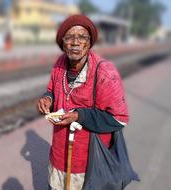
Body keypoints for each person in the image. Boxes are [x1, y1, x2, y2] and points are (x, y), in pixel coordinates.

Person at [37, 15, 129, 190]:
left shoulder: (105, 72)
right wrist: (48, 98)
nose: (75, 42)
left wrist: (80, 115)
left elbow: (119, 119)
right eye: (69, 37)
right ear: (62, 43)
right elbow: (52, 89)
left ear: (90, 42)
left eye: (82, 37)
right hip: (58, 158)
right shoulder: (59, 64)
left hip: (88, 165)